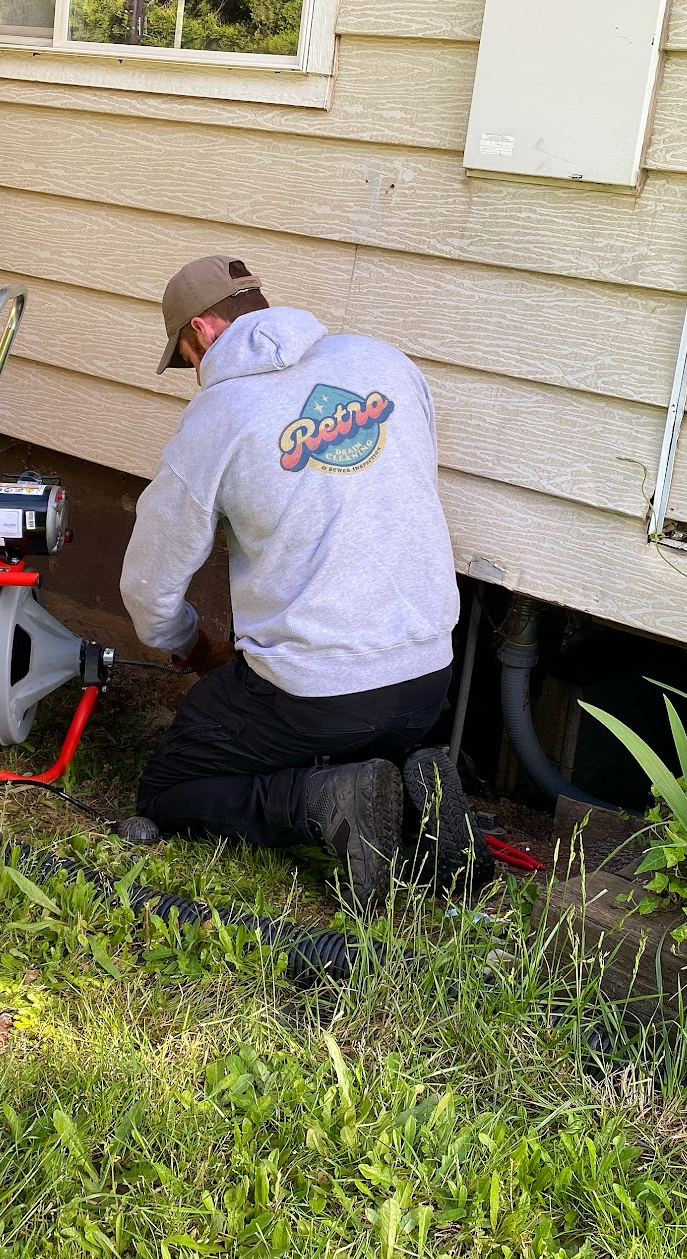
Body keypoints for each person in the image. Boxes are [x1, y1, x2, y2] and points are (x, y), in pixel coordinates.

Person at [120, 255, 473, 905]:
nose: (195, 376)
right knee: (319, 717)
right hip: (428, 679)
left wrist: (191, 643)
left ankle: (321, 801)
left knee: (170, 785)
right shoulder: (384, 362)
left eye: (188, 357)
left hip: (316, 695)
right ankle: (411, 781)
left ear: (202, 330)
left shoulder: (219, 416)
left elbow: (150, 587)